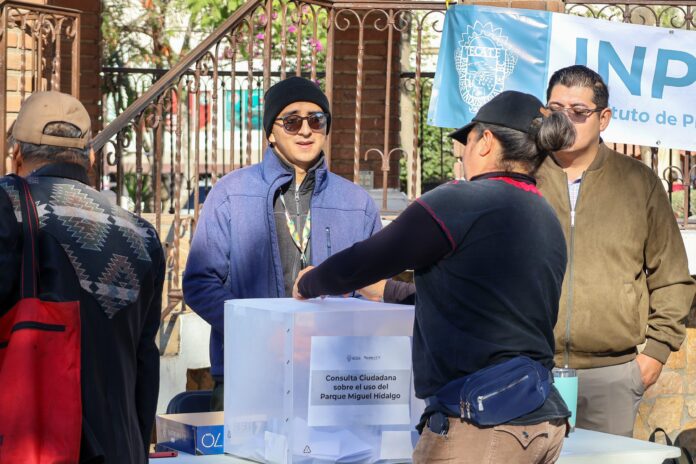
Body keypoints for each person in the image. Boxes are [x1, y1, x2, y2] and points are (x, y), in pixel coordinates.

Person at [293, 91, 576, 463]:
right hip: (540, 418)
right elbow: (479, 302)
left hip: (483, 421)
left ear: (486, 141)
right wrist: (387, 292)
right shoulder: (544, 214)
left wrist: (310, 282)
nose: (463, 153)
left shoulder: (461, 202)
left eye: (467, 141)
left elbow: (368, 259)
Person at [183, 76, 382, 411]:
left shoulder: (356, 203)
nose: (305, 131)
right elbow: (199, 283)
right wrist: (262, 332)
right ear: (271, 132)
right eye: (291, 121)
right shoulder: (231, 193)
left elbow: (374, 290)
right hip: (249, 374)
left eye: (316, 120)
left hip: (336, 378)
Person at [0, 91, 164, 463]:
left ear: (17, 155)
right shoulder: (142, 234)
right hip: (121, 448)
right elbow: (144, 366)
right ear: (90, 157)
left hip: (31, 447)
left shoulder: (8, 208)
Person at [537, 65, 695, 437]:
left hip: (612, 376)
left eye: (579, 112)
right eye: (556, 110)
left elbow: (672, 276)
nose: (565, 120)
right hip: (530, 369)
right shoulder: (523, 177)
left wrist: (655, 353)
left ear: (603, 118)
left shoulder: (638, 182)